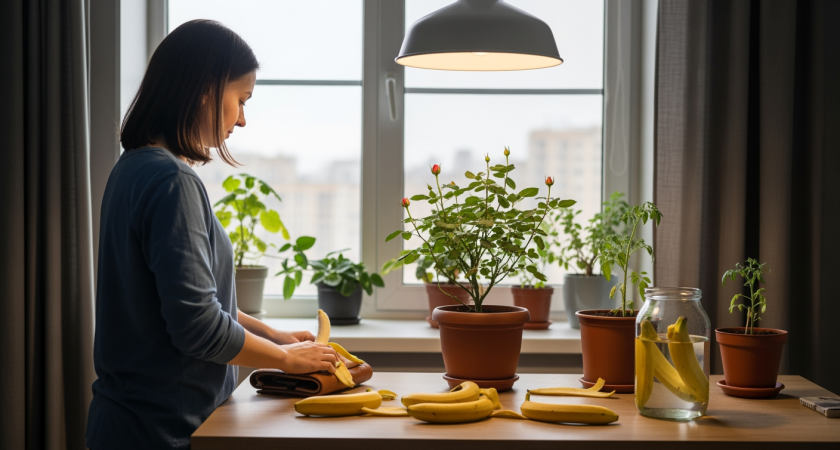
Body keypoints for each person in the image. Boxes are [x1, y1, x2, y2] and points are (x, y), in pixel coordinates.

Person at [85, 20, 339, 450]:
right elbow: (198, 326)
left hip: (128, 422)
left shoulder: (132, 167)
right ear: (206, 88)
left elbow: (192, 301)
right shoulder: (172, 181)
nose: (242, 119)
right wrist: (285, 359)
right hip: (161, 430)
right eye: (241, 100)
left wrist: (274, 336)